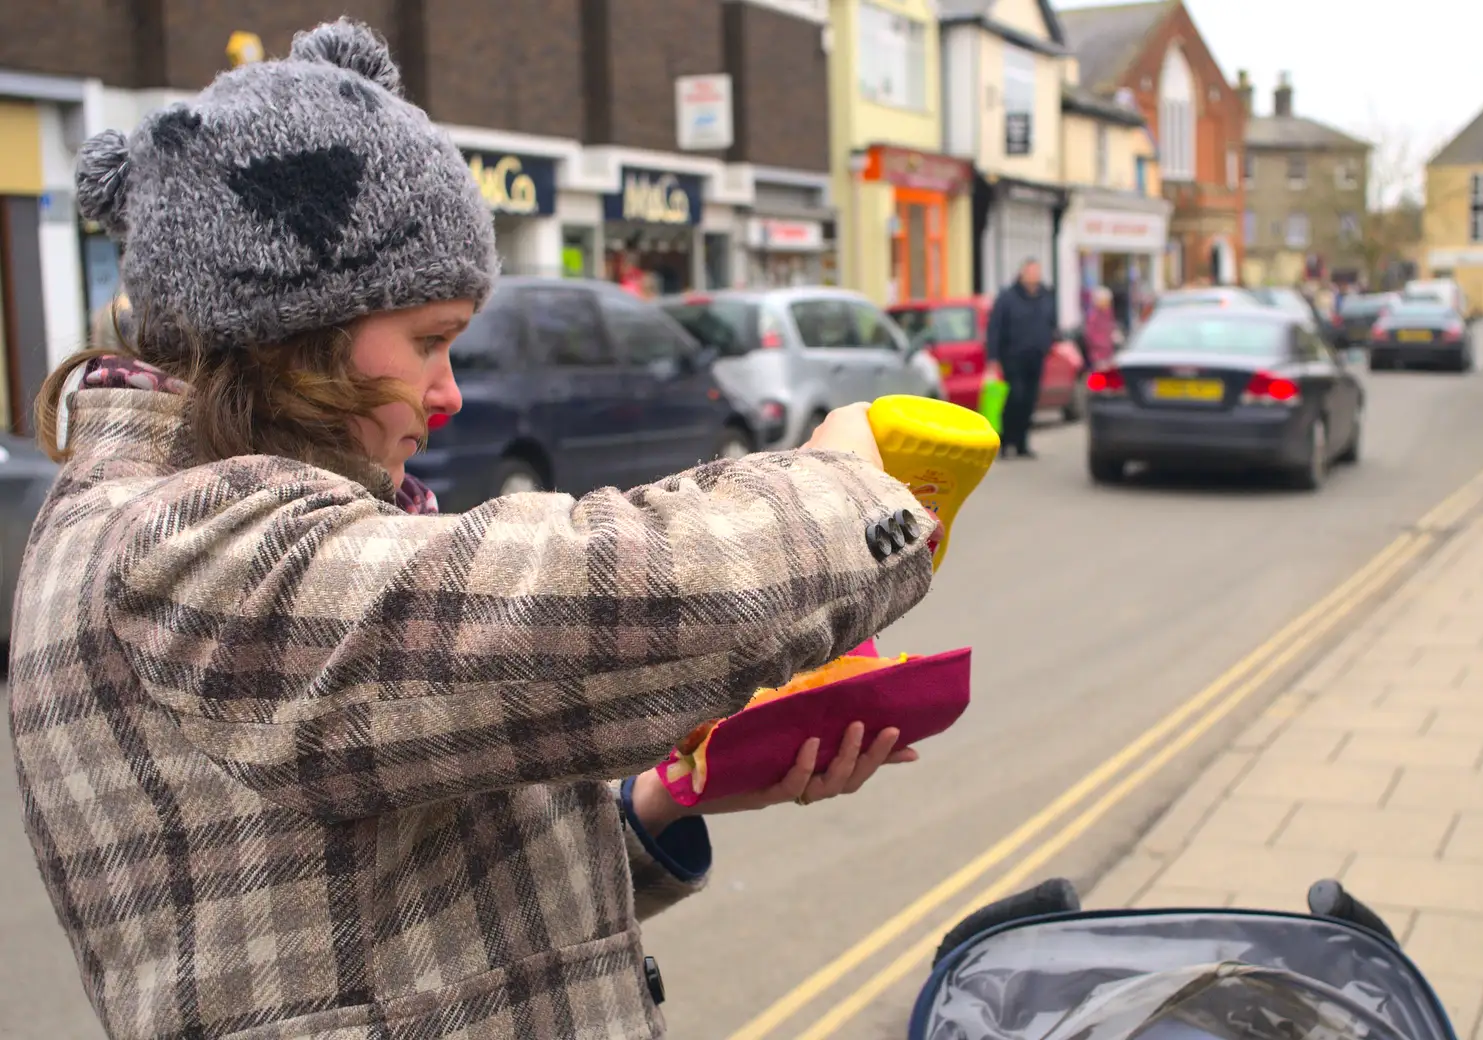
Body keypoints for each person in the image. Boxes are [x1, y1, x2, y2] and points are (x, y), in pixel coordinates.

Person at [9, 21, 939, 1040]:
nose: (448, 391)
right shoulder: (173, 542)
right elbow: (593, 601)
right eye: (429, 341)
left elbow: (374, 931)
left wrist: (655, 807)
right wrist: (848, 489)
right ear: (288, 331)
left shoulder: (219, 520)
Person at [987, 258, 1058, 459]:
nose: (1035, 276)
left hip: (1036, 357)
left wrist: (1049, 343)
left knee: (1029, 400)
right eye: (1031, 272)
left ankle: (1022, 443)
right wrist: (992, 358)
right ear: (1022, 274)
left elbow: (1051, 323)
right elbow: (995, 328)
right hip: (1012, 357)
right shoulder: (1007, 297)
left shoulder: (1045, 296)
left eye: (1037, 272)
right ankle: (1005, 441)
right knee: (1015, 397)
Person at [1083, 286, 1118, 370]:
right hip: (1098, 353)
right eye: (1105, 301)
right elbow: (1089, 334)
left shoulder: (1109, 313)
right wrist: (1101, 343)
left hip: (1109, 351)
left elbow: (1111, 327)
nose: (1108, 303)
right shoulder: (1093, 315)